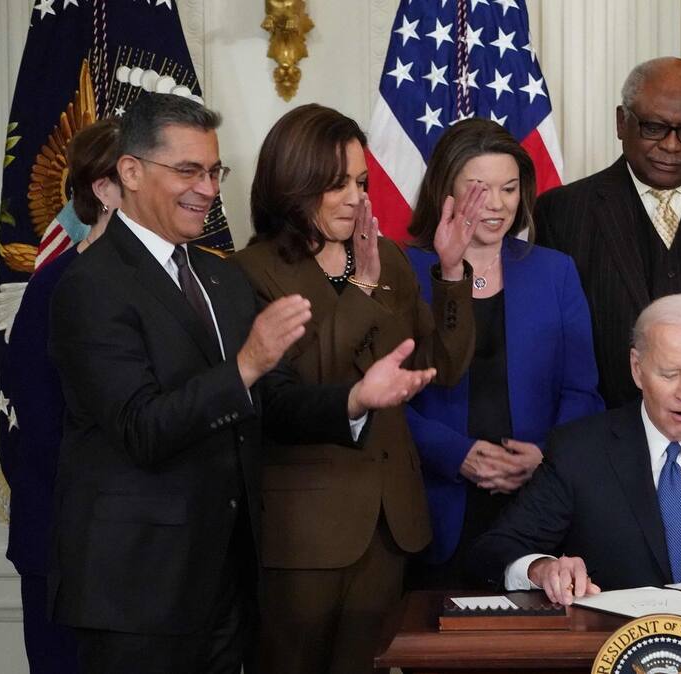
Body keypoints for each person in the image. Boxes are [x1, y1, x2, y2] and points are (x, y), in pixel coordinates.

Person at [47, 93, 436, 674]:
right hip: (138, 589)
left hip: (230, 580)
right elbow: (141, 428)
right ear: (130, 171)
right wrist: (245, 366)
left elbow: (272, 403)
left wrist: (354, 400)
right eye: (188, 170)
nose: (206, 189)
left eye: (214, 171)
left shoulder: (217, 277)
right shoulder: (91, 284)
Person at [233, 103, 477, 674]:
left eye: (361, 182)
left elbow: (440, 365)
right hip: (305, 533)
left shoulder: (386, 255)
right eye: (336, 184)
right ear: (294, 185)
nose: (355, 198)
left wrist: (449, 272)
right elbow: (301, 389)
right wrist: (362, 289)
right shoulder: (252, 271)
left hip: (390, 525)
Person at [469, 294, 681, 605]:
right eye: (669, 374)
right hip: (608, 647)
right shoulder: (580, 452)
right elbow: (495, 549)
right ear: (637, 369)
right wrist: (542, 569)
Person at [402, 118, 604, 587]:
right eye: (479, 189)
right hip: (433, 505)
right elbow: (385, 400)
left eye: (509, 189)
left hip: (535, 507)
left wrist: (545, 457)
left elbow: (582, 391)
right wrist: (455, 454)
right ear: (445, 190)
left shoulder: (555, 271)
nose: (497, 205)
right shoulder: (404, 271)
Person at [536, 57, 681, 409]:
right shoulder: (563, 211)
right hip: (607, 425)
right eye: (654, 128)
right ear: (621, 122)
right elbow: (555, 342)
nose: (671, 145)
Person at [0, 118, 121, 674]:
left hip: (140, 555)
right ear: (105, 189)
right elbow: (44, 427)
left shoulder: (173, 283)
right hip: (66, 549)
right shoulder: (56, 287)